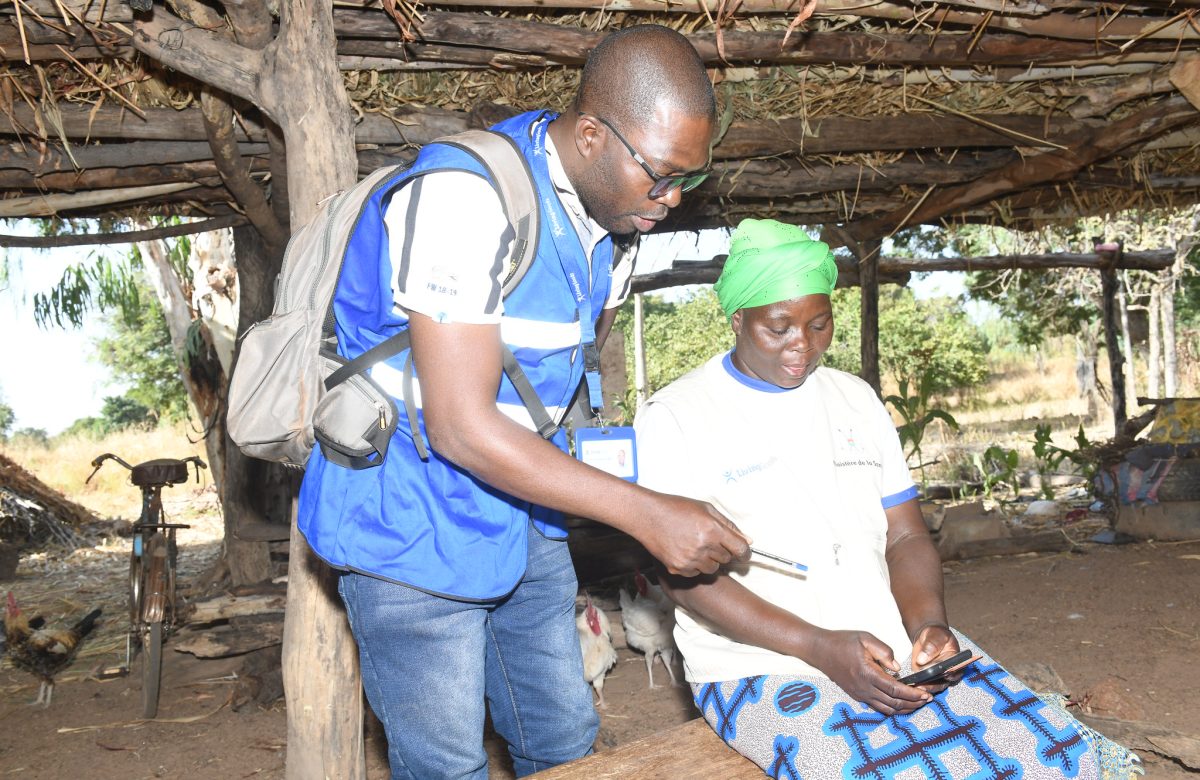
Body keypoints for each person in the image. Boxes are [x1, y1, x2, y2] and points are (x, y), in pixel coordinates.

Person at [295, 24, 751, 780]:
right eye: (662, 175)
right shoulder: (463, 198)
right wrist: (643, 512)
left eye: (689, 181)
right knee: (445, 763)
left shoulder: (616, 231)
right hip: (409, 528)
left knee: (563, 739)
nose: (672, 199)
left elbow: (554, 388)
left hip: (523, 519)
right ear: (596, 136)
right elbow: (461, 426)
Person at [633, 218, 1143, 779]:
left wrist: (929, 625)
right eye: (777, 328)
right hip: (759, 666)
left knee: (1054, 759)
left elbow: (904, 536)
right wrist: (819, 646)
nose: (801, 345)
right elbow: (684, 582)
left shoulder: (854, 399)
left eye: (819, 324)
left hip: (889, 648)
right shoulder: (678, 417)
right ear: (737, 318)